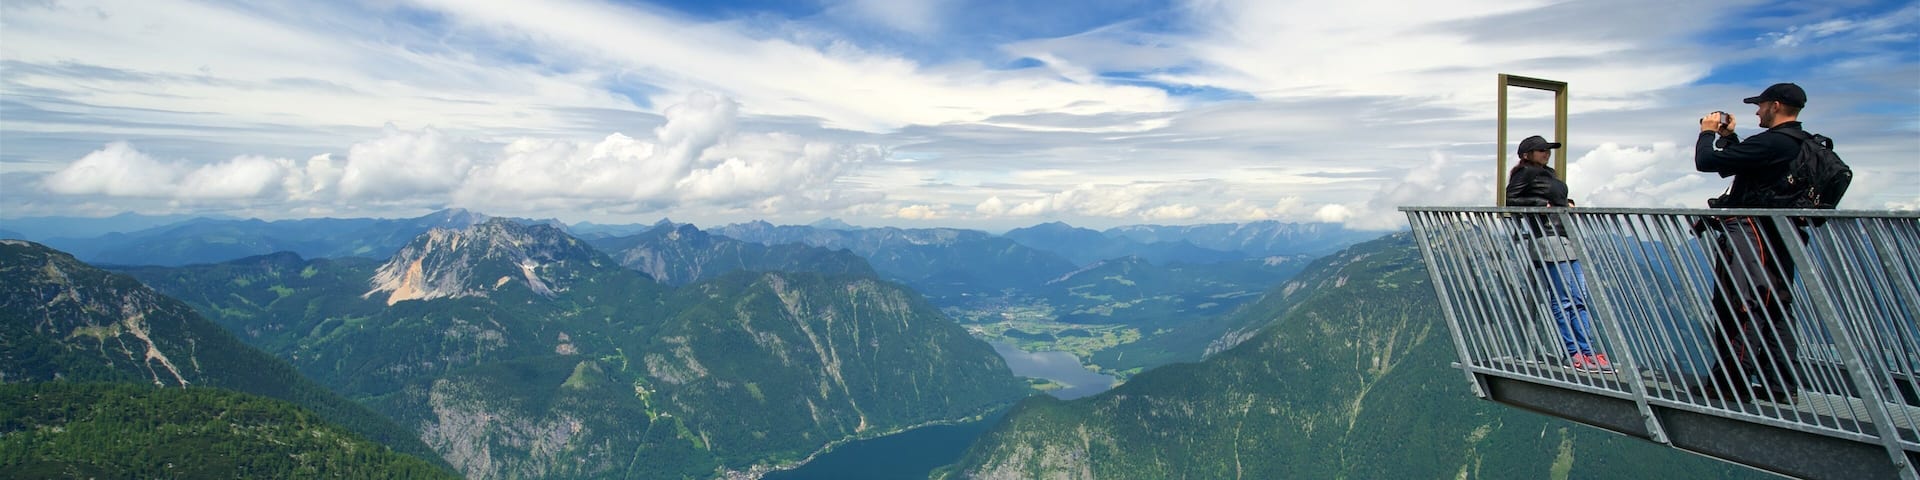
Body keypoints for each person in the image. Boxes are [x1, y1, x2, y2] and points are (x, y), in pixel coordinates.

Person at [1691, 82, 1811, 404]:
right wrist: (1729, 138)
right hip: (1782, 235)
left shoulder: (1771, 143)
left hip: (1750, 236)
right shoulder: (1799, 144)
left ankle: (1732, 383)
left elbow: (1707, 162)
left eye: (1760, 105)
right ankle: (1780, 386)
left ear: (1774, 105)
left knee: (1741, 304)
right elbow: (1745, 163)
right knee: (1776, 307)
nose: (1757, 111)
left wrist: (1707, 132)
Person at [1507, 135, 1613, 374]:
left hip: (1565, 235)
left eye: (1548, 149)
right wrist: (1541, 206)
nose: (1546, 153)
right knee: (1565, 299)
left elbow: (1554, 198)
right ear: (1526, 154)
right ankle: (1574, 353)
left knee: (1579, 298)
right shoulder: (1524, 173)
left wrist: (1567, 203)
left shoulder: (1548, 173)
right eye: (1541, 150)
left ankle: (1588, 351)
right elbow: (1511, 199)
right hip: (1548, 237)